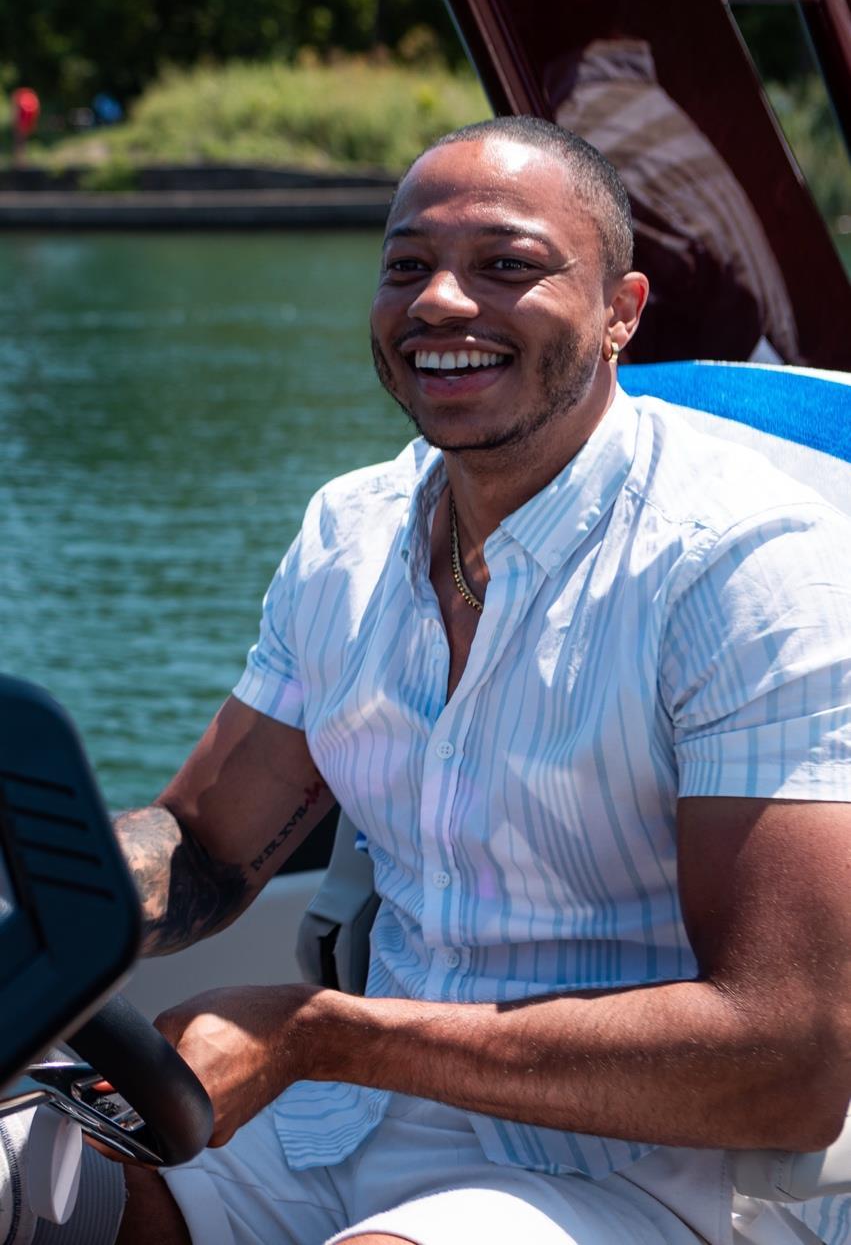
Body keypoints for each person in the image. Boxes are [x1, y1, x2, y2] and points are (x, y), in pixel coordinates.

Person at [8, 118, 849, 1245]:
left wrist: (322, 1034)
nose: (440, 301)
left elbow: (787, 1060)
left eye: (505, 264)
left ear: (621, 311)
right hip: (332, 1122)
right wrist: (29, 905)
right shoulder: (347, 534)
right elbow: (203, 847)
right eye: (407, 264)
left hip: (643, 1171)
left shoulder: (741, 568)